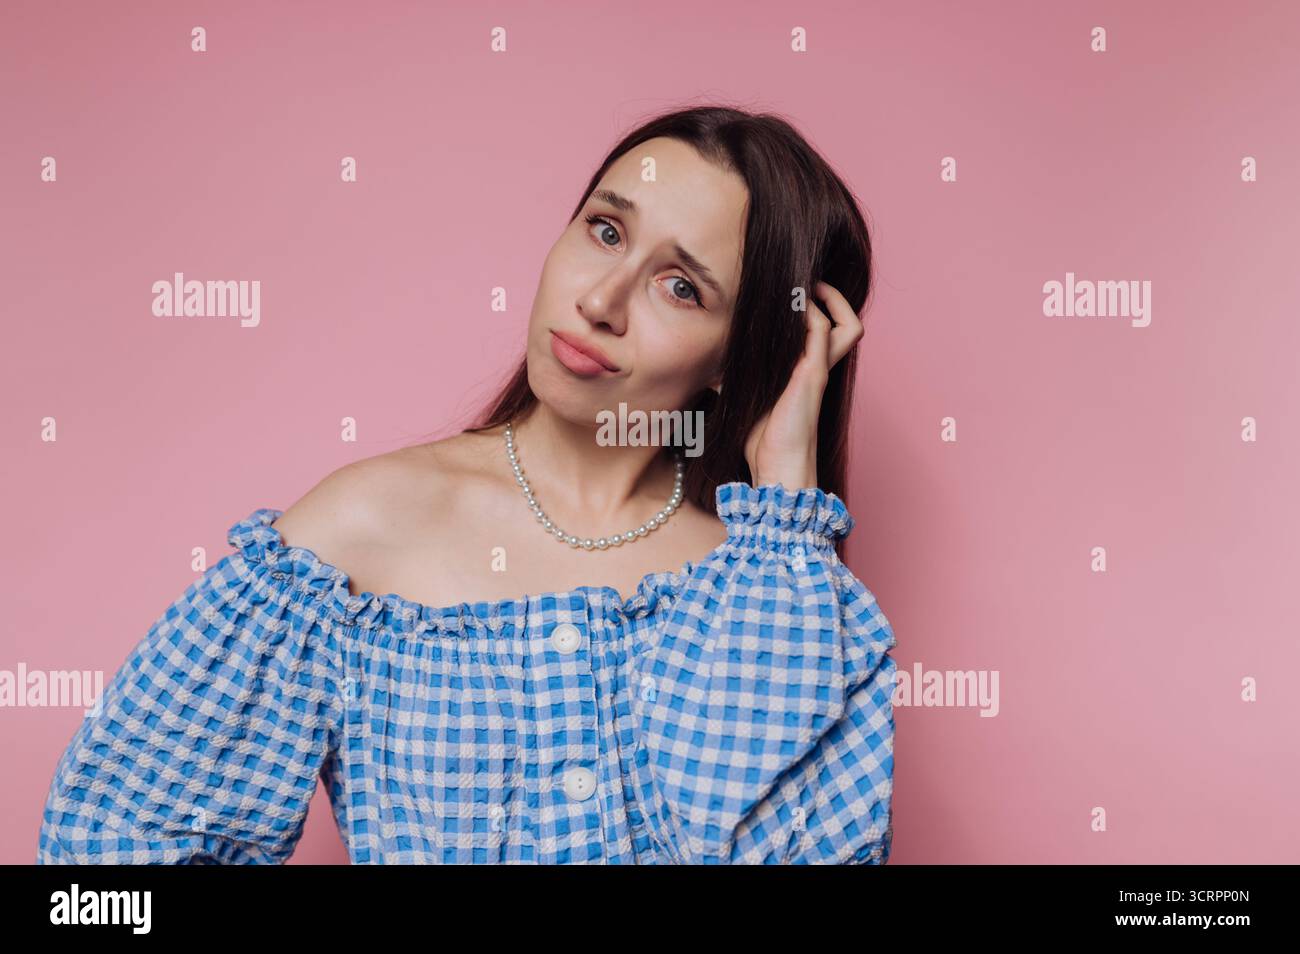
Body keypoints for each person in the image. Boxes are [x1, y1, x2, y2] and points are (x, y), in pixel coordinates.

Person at [36, 104, 897, 865]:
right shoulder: (358, 532)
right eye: (605, 230)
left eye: (681, 286)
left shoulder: (768, 591)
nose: (601, 300)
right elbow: (110, 855)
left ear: (737, 356)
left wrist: (787, 494)